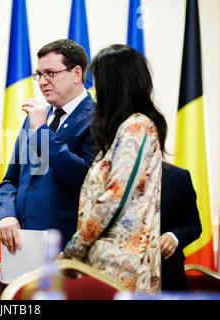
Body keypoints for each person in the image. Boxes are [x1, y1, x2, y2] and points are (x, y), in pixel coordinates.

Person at [62, 44, 168, 293]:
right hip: (106, 265)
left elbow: (114, 198)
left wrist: (72, 250)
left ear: (116, 84)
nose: (93, 89)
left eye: (97, 81)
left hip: (122, 271)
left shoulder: (137, 127)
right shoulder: (121, 132)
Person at [0, 39, 96, 255]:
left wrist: (42, 131)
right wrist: (6, 214)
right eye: (39, 75)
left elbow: (85, 179)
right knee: (15, 291)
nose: (42, 82)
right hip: (19, 243)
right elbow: (10, 180)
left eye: (50, 73)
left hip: (64, 246)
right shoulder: (34, 118)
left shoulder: (99, 119)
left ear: (77, 74)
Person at [161, 162, 202, 291]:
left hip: (167, 275)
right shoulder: (105, 172)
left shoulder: (178, 176)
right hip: (114, 276)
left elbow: (193, 225)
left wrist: (173, 237)